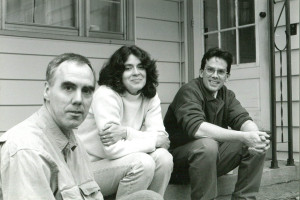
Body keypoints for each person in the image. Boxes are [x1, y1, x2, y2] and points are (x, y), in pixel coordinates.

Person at [0, 53, 164, 200]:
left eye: (86, 91)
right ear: (47, 91)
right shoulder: (27, 151)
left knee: (149, 198)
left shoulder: (74, 143)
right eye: (68, 88)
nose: (79, 99)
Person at [163, 47, 270, 200]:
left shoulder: (226, 95)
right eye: (210, 70)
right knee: (207, 145)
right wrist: (243, 136)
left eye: (220, 72)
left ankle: (244, 198)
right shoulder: (189, 91)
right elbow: (197, 128)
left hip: (209, 161)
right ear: (201, 72)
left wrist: (254, 136)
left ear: (227, 76)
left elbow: (243, 119)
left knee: (257, 142)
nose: (215, 75)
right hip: (178, 164)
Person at [77, 45, 173, 199]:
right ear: (118, 73)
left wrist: (126, 133)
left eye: (140, 67)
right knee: (143, 163)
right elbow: (112, 149)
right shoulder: (106, 94)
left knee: (164, 158)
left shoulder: (150, 96)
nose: (136, 73)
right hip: (90, 170)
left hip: (124, 162)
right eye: (128, 68)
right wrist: (152, 140)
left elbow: (162, 137)